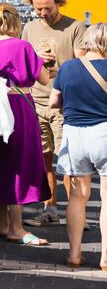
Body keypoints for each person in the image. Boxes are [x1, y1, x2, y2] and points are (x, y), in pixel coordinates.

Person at [0, 4, 50, 245]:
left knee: (0, 163)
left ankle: (3, 225)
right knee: (19, 164)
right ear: (15, 23)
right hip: (19, 107)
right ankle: (17, 228)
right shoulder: (24, 46)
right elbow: (43, 79)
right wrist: (41, 61)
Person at [23, 0, 87, 227]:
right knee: (44, 157)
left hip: (63, 104)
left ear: (58, 2)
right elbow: (24, 63)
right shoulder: (29, 28)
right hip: (36, 101)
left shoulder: (75, 27)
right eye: (38, 9)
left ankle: (76, 214)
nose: (42, 13)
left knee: (69, 160)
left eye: (47, 8)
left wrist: (56, 70)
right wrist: (36, 62)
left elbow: (81, 65)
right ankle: (50, 209)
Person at [49, 23, 107, 268]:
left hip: (75, 135)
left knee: (77, 196)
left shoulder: (69, 67)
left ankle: (74, 255)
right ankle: (105, 257)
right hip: (104, 132)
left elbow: (53, 102)